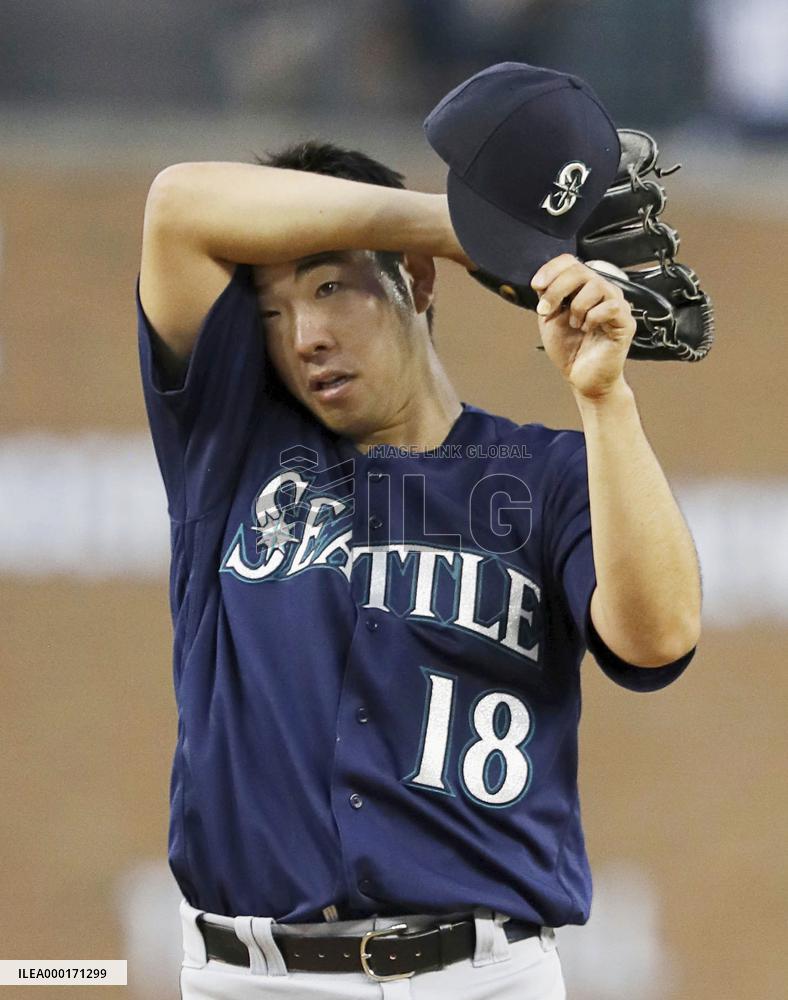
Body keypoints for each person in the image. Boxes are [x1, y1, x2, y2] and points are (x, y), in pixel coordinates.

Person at [137, 139, 702, 1000]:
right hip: (248, 978)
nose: (307, 336)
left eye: (331, 286)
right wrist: (473, 230)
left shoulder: (542, 474)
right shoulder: (232, 448)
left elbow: (660, 638)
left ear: (418, 283)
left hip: (483, 977)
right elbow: (178, 204)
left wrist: (604, 400)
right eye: (270, 314)